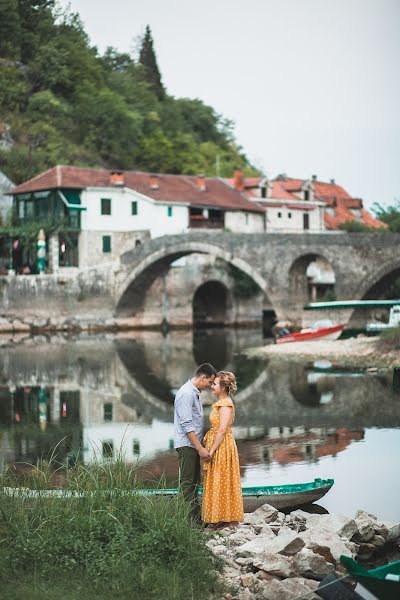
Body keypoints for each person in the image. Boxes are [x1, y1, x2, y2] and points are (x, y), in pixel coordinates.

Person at [174, 362, 217, 523]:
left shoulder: (194, 392)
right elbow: (186, 424)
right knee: (187, 484)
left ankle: (196, 520)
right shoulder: (186, 393)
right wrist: (200, 448)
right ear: (203, 377)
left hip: (193, 445)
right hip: (187, 445)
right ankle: (186, 522)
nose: (211, 386)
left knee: (193, 483)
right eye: (210, 382)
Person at [201, 371, 244, 529]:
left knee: (222, 477)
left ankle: (228, 517)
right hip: (217, 443)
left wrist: (211, 450)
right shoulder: (221, 402)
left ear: (223, 387)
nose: (212, 386)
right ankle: (219, 516)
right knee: (217, 478)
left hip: (222, 445)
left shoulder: (225, 404)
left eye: (215, 384)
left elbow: (222, 430)